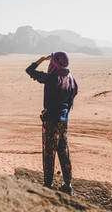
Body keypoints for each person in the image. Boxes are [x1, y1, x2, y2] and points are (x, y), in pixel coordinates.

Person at [25, 51, 78, 195]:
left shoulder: (53, 78)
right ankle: (68, 184)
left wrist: (41, 58)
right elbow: (70, 99)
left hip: (51, 121)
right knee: (64, 151)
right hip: (64, 120)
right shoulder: (70, 78)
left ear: (54, 63)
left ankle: (48, 185)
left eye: (51, 61)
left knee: (49, 153)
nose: (49, 64)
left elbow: (29, 71)